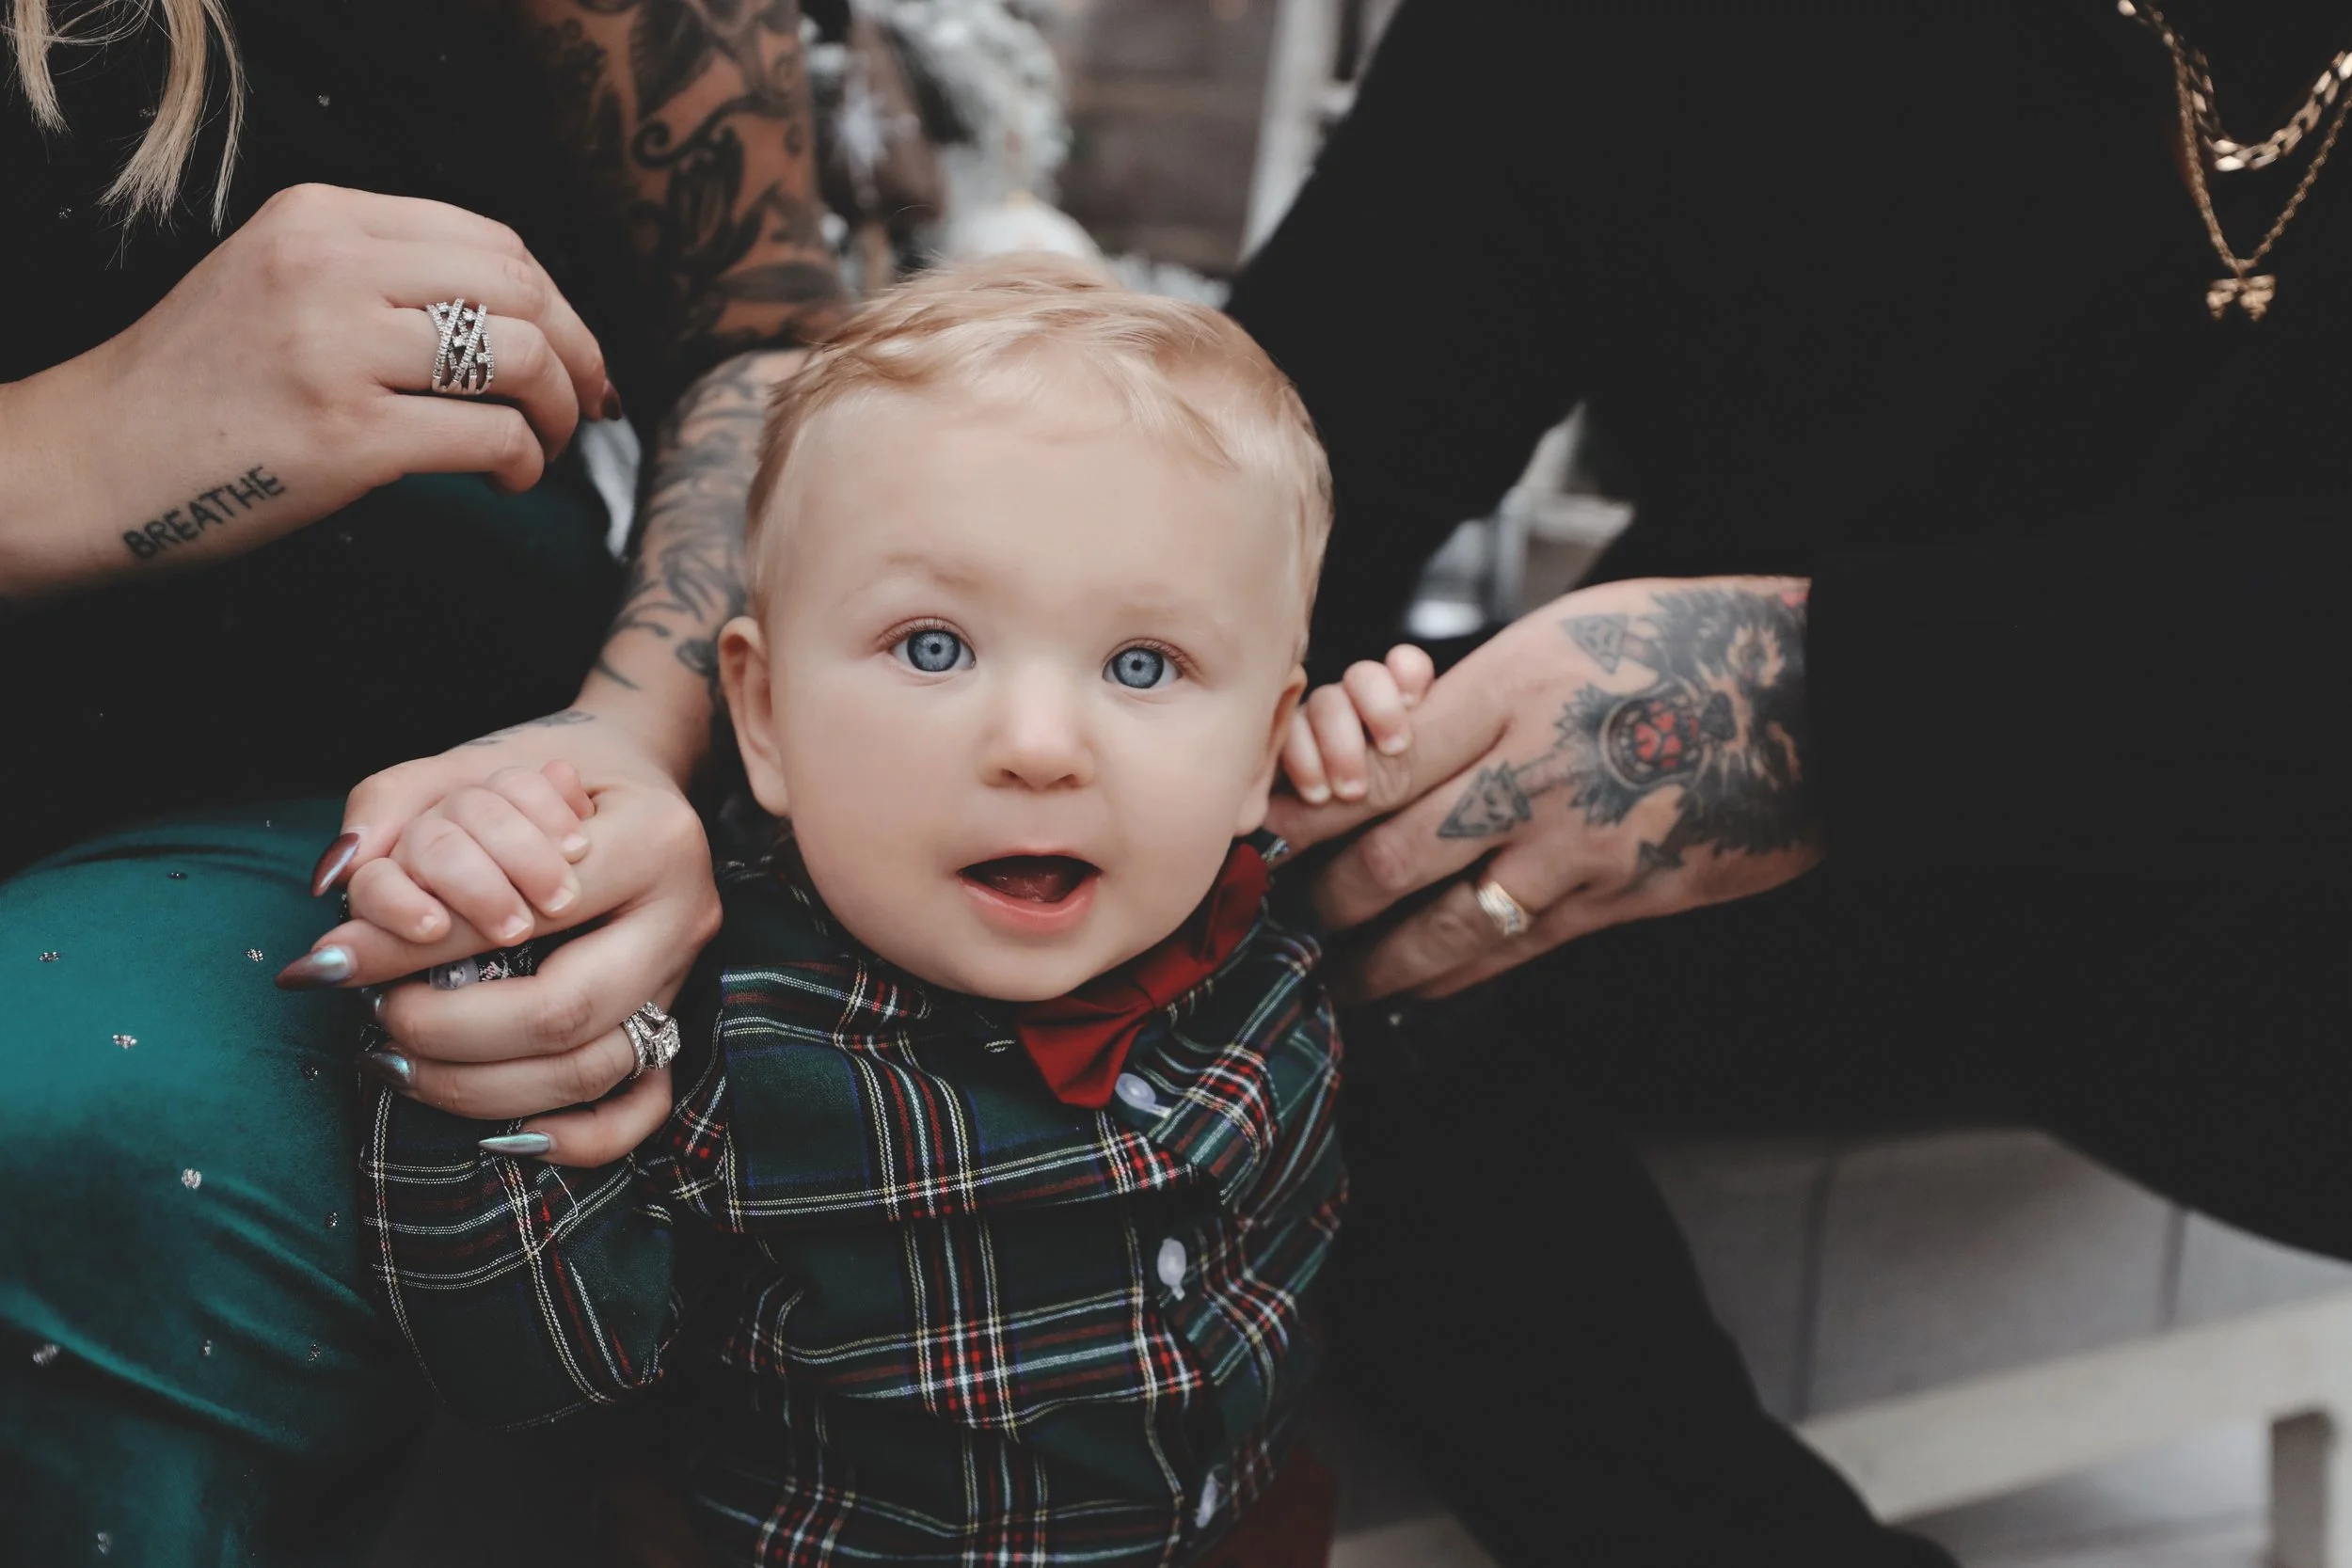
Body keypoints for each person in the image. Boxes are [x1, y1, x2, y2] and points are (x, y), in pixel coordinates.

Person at [1220, 0, 2352, 1563]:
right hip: (1751, 907)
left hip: (2282, 904)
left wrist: (1830, 697)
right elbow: (1276, 478)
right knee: (1258, 896)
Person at [355, 259, 1422, 1564]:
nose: (1039, 747)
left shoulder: (1266, 906)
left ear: (1262, 740)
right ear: (762, 715)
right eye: (933, 645)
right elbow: (528, 1366)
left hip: (1245, 1517)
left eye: (1143, 664)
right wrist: (480, 999)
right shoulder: (717, 1031)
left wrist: (1365, 758)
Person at [0, 3, 847, 1561]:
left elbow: (763, 338)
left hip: (383, 802)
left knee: (81, 1127)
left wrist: (625, 739)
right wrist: (68, 450)